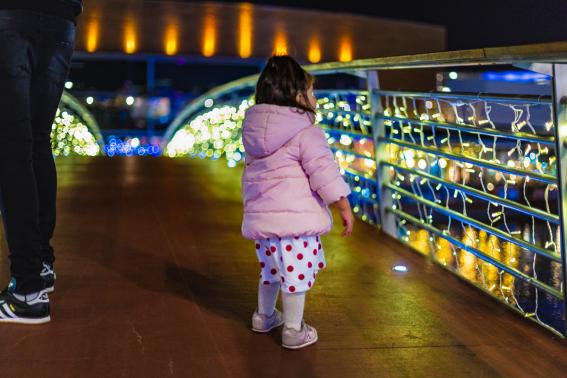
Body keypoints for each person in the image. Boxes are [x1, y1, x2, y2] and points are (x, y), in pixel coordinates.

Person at [241, 55, 354, 349]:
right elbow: (324, 173)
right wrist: (343, 206)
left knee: (271, 272)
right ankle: (293, 329)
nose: (314, 98)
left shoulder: (253, 130)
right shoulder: (306, 131)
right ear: (297, 95)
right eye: (312, 91)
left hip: (264, 221)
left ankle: (263, 317)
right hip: (296, 223)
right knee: (296, 276)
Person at [0, 0, 83, 324]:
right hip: (60, 21)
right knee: (36, 142)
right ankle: (41, 264)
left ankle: (27, 292)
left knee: (13, 147)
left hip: (9, 17)